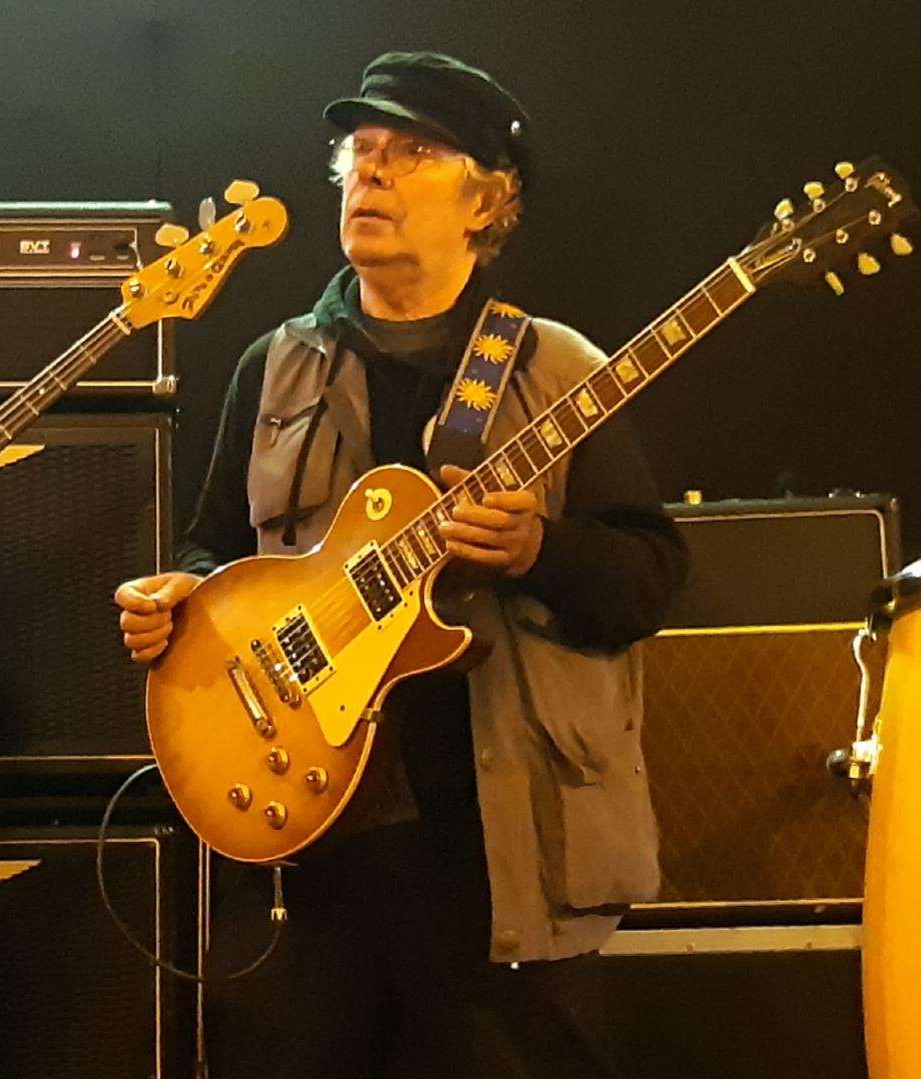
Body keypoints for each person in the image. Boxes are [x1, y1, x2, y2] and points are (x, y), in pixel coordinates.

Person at [115, 52, 687, 1076]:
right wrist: (179, 601)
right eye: (359, 153)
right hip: (313, 831)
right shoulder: (276, 361)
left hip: (498, 843)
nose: (369, 173)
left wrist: (539, 548)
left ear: (487, 200)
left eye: (410, 153)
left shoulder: (557, 370)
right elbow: (213, 546)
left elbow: (650, 576)